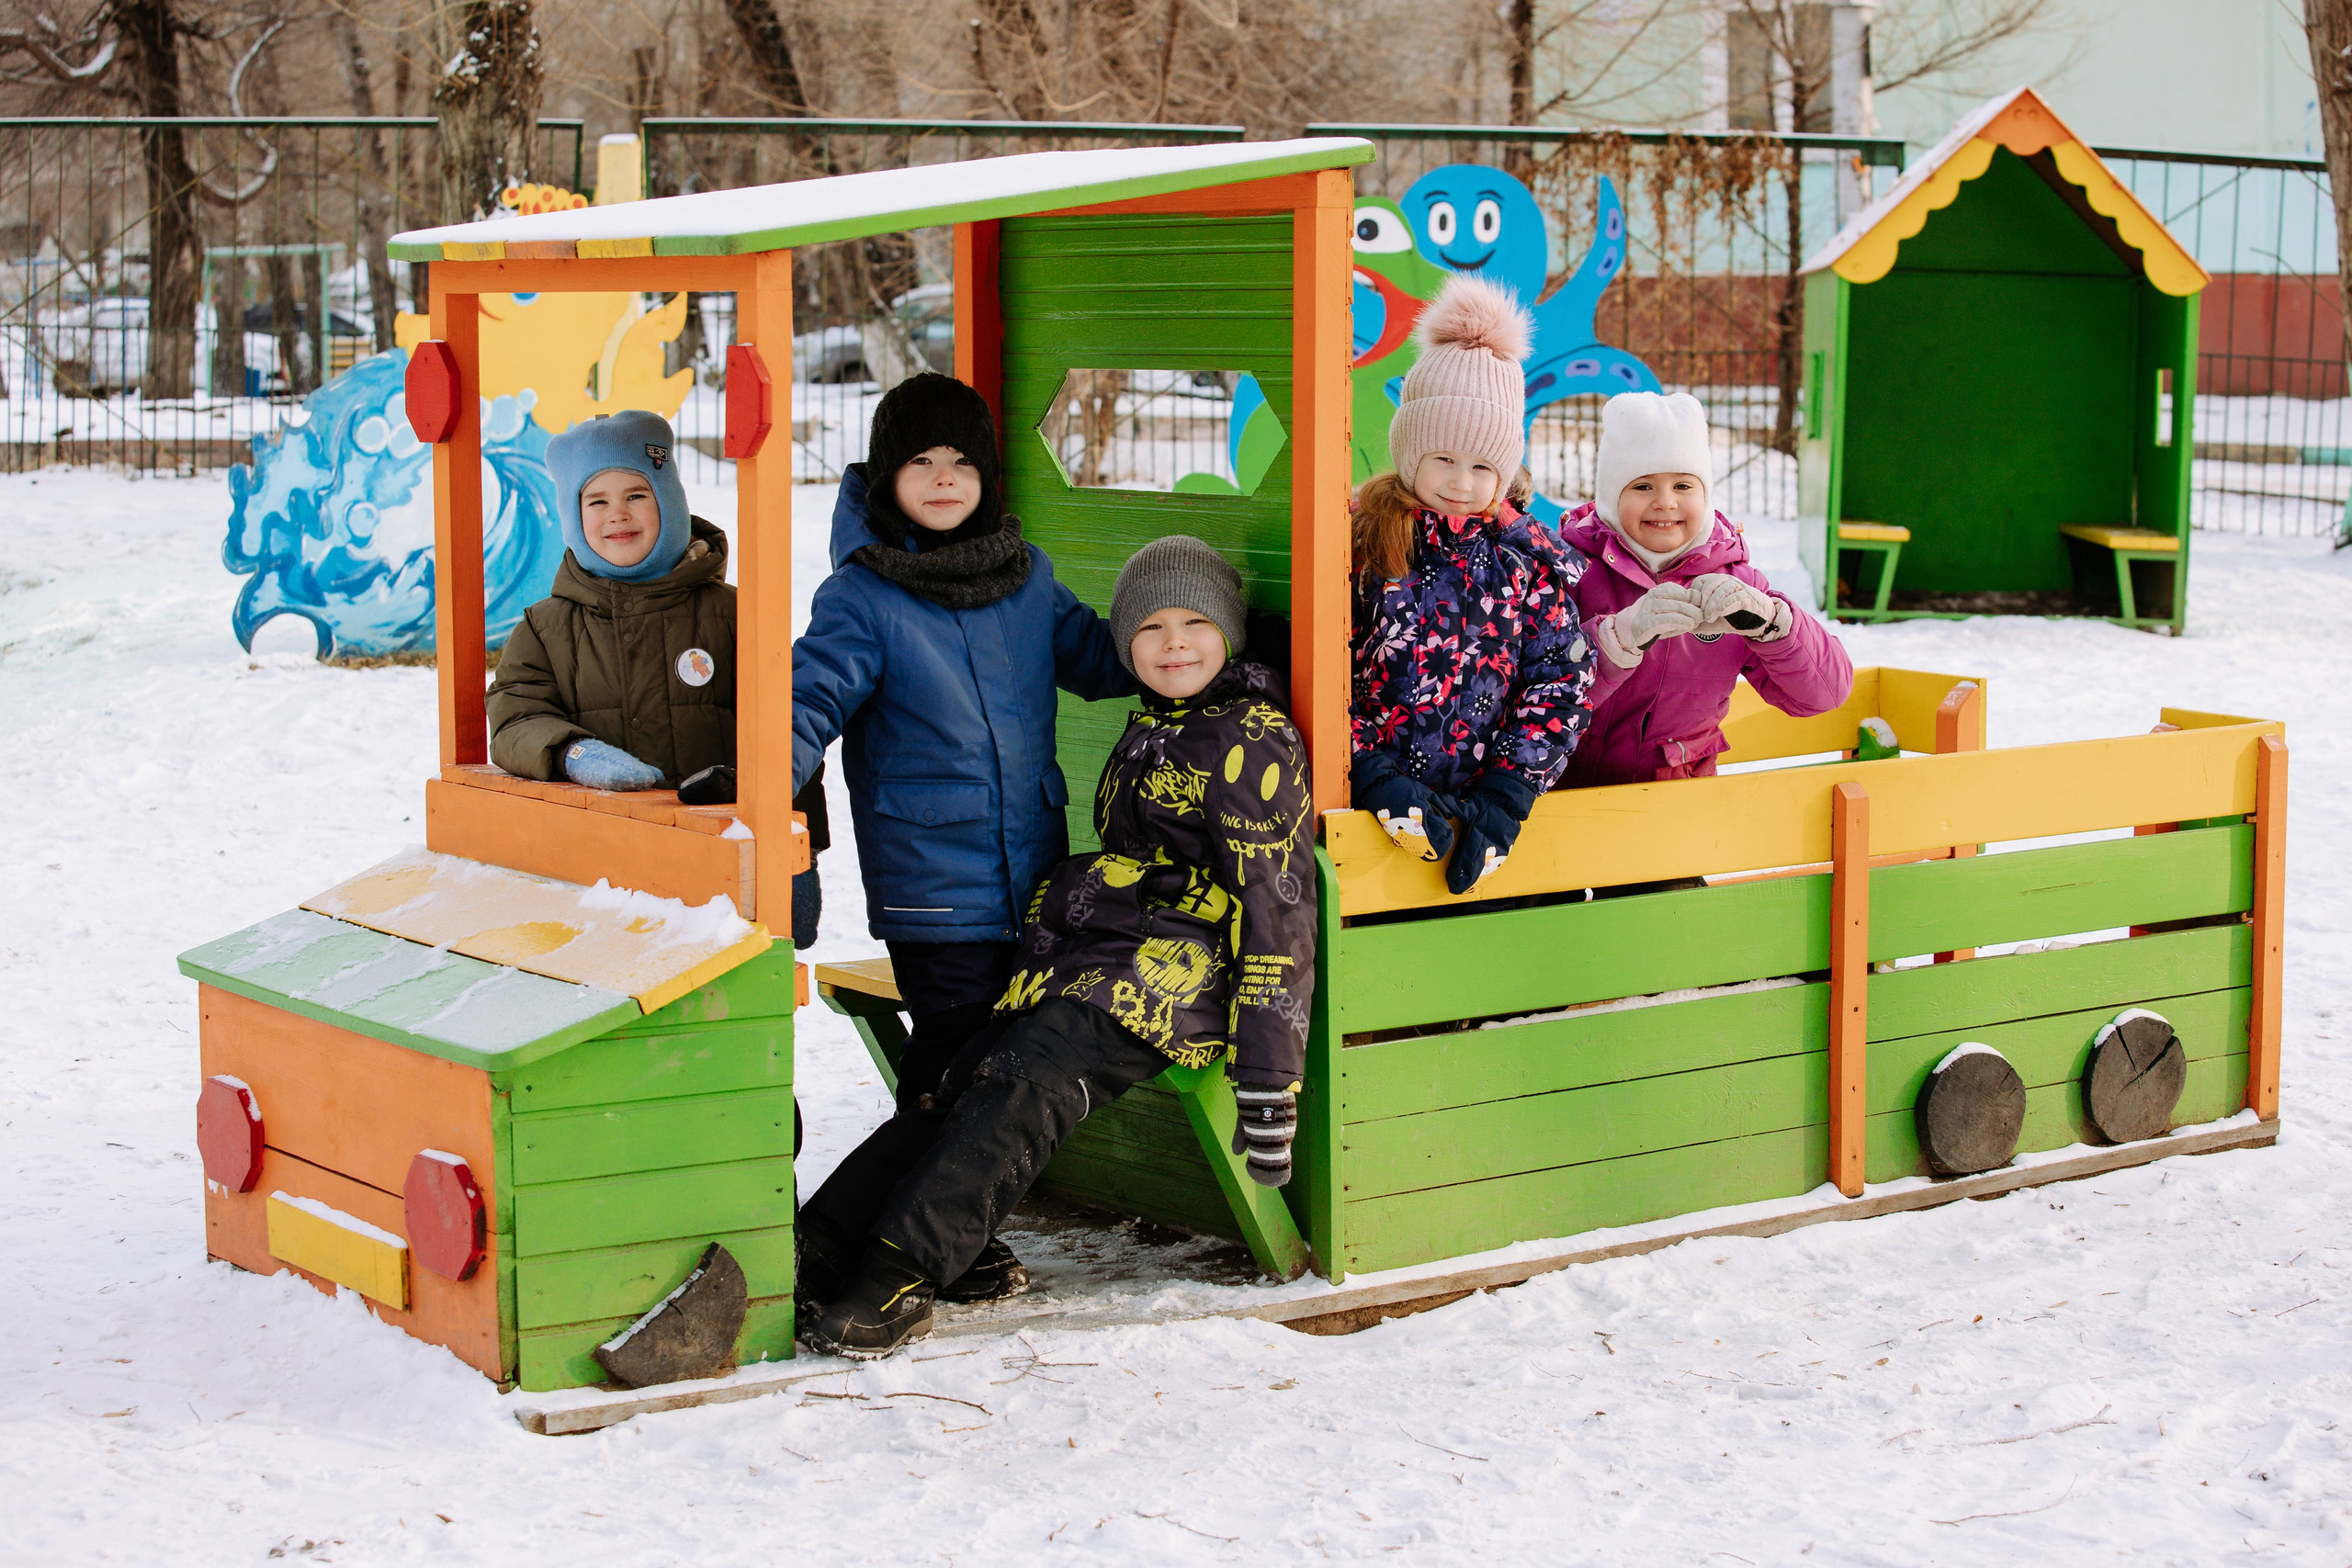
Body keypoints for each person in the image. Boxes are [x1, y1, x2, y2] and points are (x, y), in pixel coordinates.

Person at [797, 535, 1316, 1358]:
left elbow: (1279, 910)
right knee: (961, 1073)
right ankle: (821, 1240)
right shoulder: (1160, 722)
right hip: (1093, 959)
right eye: (1148, 628)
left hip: (1172, 984)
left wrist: (1269, 1078)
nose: (1172, 642)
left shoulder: (1252, 739)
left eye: (1193, 622)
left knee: (1027, 1081)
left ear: (1229, 630)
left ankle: (900, 1268)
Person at [791, 373, 1131, 1305]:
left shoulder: (1027, 582)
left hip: (1029, 873)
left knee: (973, 1067)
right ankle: (897, 1237)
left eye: (961, 463)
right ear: (883, 480)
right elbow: (802, 705)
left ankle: (921, 1227)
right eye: (919, 463)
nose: (943, 480)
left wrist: (1212, 638)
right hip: (931, 879)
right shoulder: (861, 600)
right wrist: (762, 801)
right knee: (959, 1060)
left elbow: (1101, 662)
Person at [484, 409, 827, 940]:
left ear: (670, 502)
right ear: (574, 519)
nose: (617, 514)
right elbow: (514, 715)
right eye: (596, 501)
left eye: (636, 495)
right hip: (599, 876)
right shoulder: (545, 627)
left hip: (721, 872)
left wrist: (787, 851)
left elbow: (790, 721)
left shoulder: (735, 615)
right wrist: (572, 753)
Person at [1348, 274, 1596, 897]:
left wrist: (1507, 794)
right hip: (1370, 810)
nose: (1462, 482)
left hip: (1483, 813)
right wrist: (1369, 770)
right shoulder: (1366, 545)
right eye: (1444, 459)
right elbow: (1328, 664)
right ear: (1410, 453)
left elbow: (1560, 679)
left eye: (1483, 465)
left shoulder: (1525, 565)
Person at [1554, 391, 1852, 788]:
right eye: (1642, 486)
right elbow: (1529, 691)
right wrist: (1615, 639)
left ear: (1705, 494)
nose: (1665, 502)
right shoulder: (1566, 570)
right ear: (1611, 495)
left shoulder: (1737, 583)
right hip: (1561, 799)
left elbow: (1823, 695)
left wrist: (1774, 625)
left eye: (1683, 485)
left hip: (1679, 808)